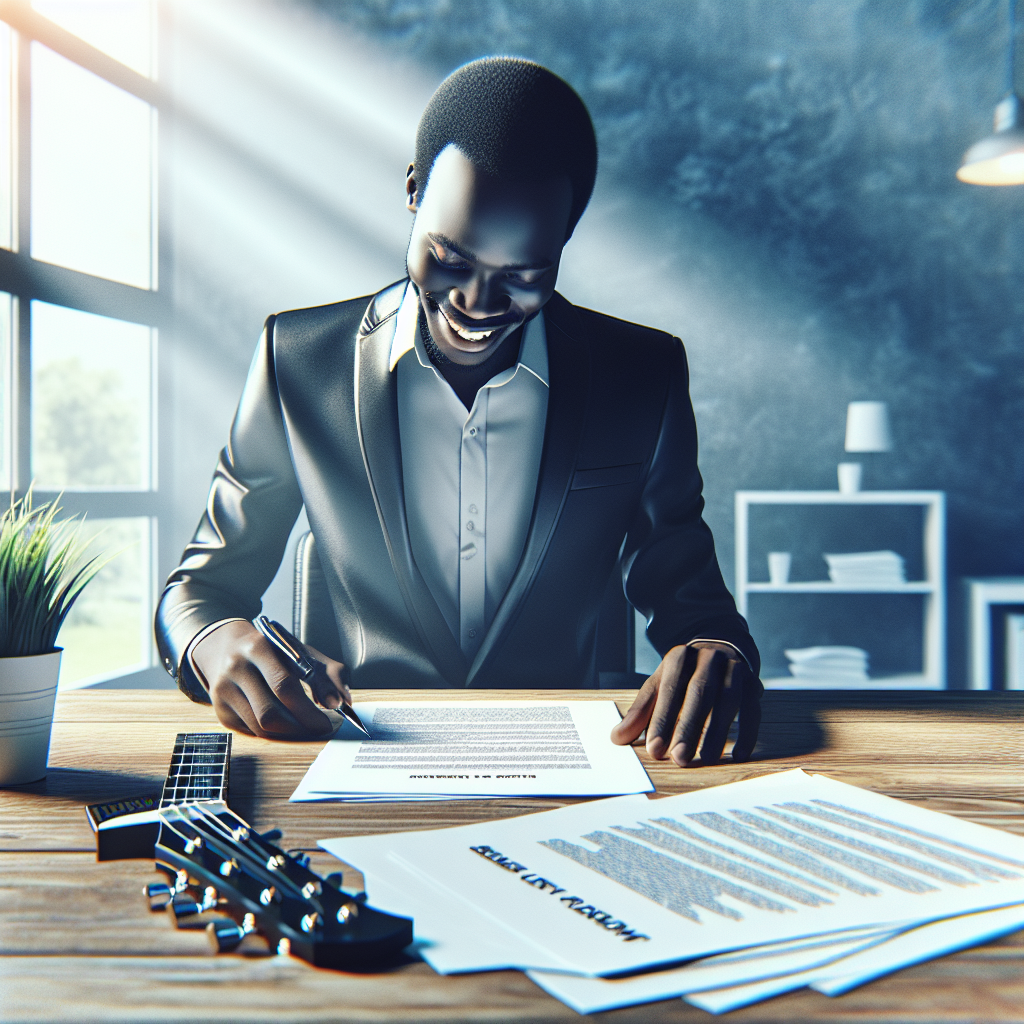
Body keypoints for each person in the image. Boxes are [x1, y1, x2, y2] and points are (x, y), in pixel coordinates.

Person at [156, 57, 763, 767]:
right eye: (448, 257)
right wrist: (212, 641)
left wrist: (717, 654)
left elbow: (696, 606)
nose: (476, 304)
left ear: (566, 236)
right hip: (351, 753)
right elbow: (199, 587)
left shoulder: (642, 376)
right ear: (413, 191)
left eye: (523, 277)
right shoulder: (296, 360)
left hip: (570, 765)